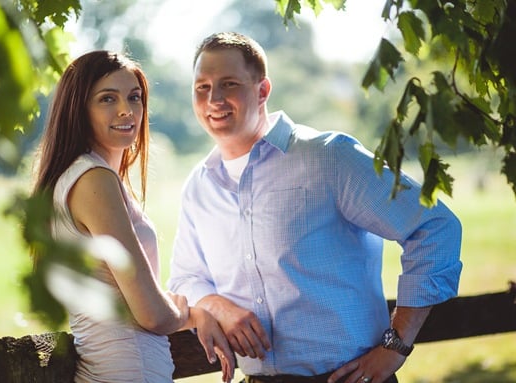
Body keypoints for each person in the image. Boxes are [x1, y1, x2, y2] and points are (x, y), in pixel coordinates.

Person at [167, 32, 463, 383]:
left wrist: (395, 346)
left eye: (228, 84)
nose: (213, 99)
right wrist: (216, 305)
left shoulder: (328, 157)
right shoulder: (199, 187)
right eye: (202, 87)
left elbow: (434, 227)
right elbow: (185, 278)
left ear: (262, 91)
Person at [31, 50, 235, 383]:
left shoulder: (81, 177)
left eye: (134, 97)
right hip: (126, 371)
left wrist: (185, 311)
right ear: (78, 109)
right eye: (107, 98)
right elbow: (152, 315)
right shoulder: (93, 179)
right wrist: (194, 312)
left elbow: (130, 298)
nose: (127, 109)